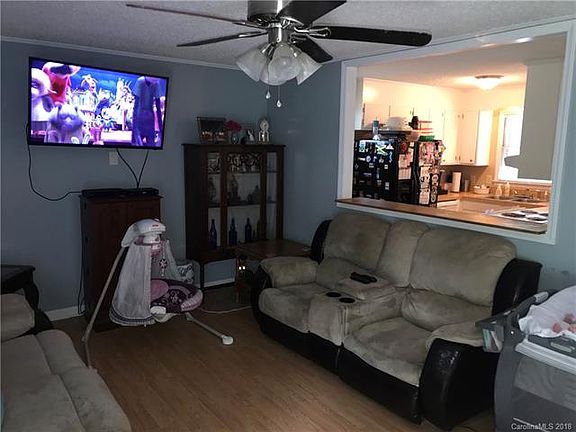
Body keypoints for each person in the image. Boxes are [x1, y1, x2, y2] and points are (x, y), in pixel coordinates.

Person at [132, 76, 163, 146]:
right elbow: (135, 108)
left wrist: (161, 132)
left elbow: (158, 108)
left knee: (151, 145)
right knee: (136, 145)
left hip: (149, 121)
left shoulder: (156, 83)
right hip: (139, 119)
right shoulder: (140, 81)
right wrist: (135, 131)